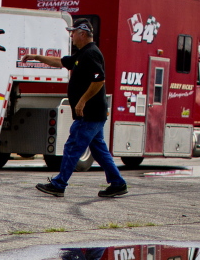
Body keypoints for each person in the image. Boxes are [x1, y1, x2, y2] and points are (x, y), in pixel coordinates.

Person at [21, 19, 128, 198]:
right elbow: (60, 62)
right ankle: (117, 183)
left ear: (82, 33)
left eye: (73, 32)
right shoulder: (82, 54)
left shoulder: (91, 54)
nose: (71, 36)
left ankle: (59, 184)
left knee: (72, 146)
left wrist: (82, 101)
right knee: (99, 150)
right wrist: (37, 57)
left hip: (90, 113)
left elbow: (99, 80)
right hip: (93, 114)